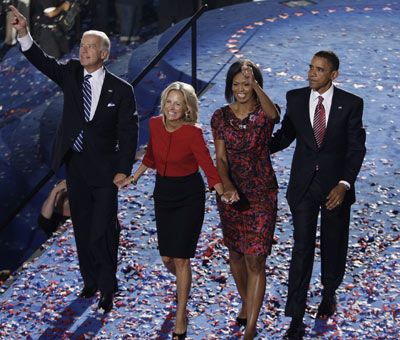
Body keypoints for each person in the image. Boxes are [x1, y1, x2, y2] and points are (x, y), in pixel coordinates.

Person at [10, 5, 138, 313]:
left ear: (104, 54)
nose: (83, 51)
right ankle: (90, 281)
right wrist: (25, 33)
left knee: (103, 230)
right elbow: (42, 62)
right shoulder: (70, 74)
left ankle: (108, 287)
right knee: (81, 227)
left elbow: (129, 131)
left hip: (107, 171)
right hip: (76, 166)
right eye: (81, 46)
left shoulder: (121, 90)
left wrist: (123, 170)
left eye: (90, 47)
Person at [269, 51, 366, 339]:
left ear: (333, 75)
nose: (312, 73)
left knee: (333, 243)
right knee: (302, 248)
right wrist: (254, 147)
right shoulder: (295, 98)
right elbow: (285, 136)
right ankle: (296, 316)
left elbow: (356, 148)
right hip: (303, 187)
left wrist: (344, 183)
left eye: (319, 69)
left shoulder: (351, 104)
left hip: (335, 187)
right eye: (310, 67)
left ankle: (328, 291)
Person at [121, 81, 225, 339]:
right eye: (169, 102)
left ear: (187, 108)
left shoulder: (193, 133)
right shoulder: (155, 124)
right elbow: (151, 157)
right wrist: (134, 178)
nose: (172, 107)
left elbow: (207, 166)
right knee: (168, 258)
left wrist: (224, 192)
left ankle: (181, 314)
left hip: (189, 196)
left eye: (178, 103)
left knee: (181, 258)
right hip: (164, 195)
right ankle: (184, 283)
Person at [210, 59, 280, 340]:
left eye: (246, 84)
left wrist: (257, 84)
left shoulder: (263, 116)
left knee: (256, 260)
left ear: (255, 85)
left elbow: (274, 114)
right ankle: (246, 300)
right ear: (230, 86)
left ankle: (251, 328)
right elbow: (221, 158)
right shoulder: (220, 117)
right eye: (236, 84)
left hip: (262, 192)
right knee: (236, 254)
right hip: (231, 194)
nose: (241, 89)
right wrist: (226, 186)